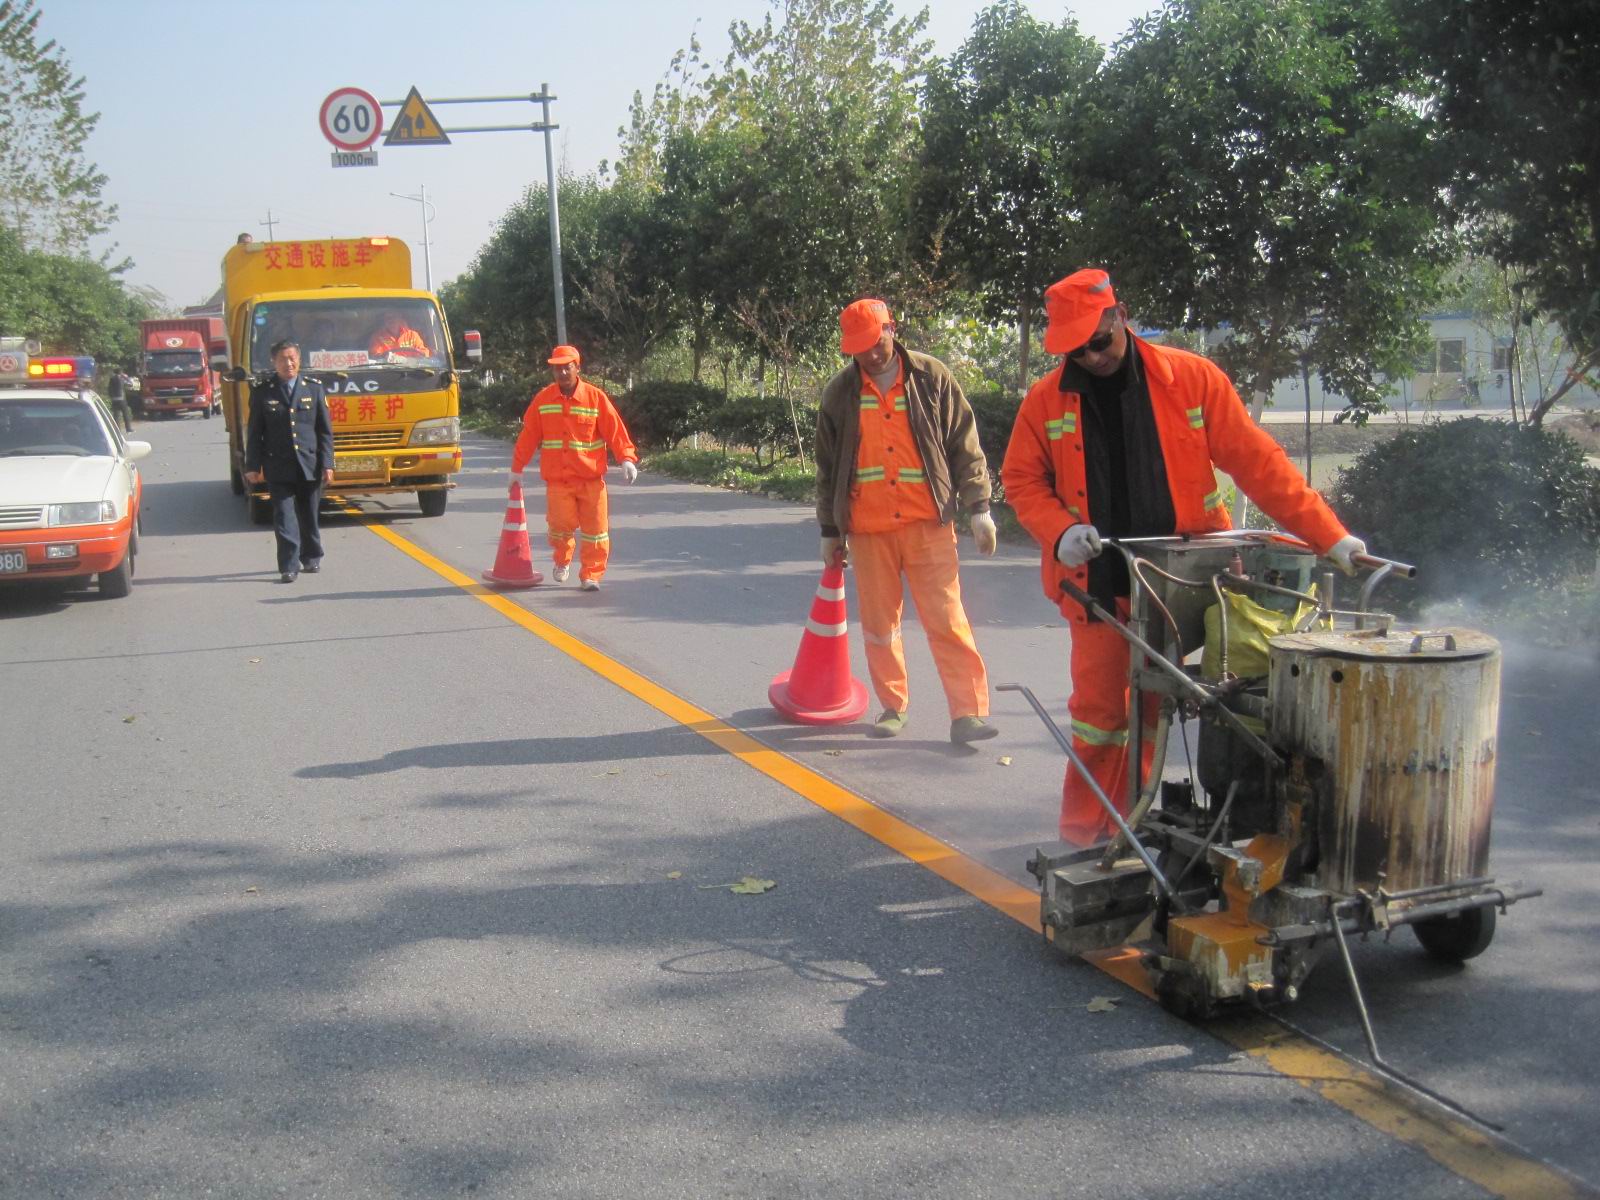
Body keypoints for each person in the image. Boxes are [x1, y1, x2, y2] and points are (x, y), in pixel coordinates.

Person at [1001, 269, 1366, 845]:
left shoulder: (1192, 380)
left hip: (1190, 581)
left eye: (1099, 342)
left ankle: (1151, 825)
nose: (1091, 358)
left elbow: (1259, 464)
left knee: (1203, 706)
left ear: (1120, 318)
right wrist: (1059, 529)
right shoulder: (1046, 401)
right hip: (1099, 583)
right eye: (1076, 350)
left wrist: (1330, 536)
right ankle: (1089, 840)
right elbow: (1021, 480)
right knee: (1102, 717)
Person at [815, 298, 1000, 745]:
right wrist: (830, 531)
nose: (871, 354)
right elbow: (826, 468)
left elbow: (964, 444)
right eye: (859, 348)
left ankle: (968, 713)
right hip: (867, 529)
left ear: (892, 330)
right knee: (880, 626)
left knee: (947, 620)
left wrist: (979, 509)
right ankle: (892, 707)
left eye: (876, 342)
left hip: (928, 526)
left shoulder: (931, 377)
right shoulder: (839, 394)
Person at [510, 345, 639, 591]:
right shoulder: (543, 400)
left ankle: (591, 574)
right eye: (557, 369)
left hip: (591, 480)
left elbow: (615, 430)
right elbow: (528, 436)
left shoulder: (595, 397)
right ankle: (562, 560)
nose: (562, 373)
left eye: (566, 367)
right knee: (559, 527)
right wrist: (516, 468)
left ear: (577, 368)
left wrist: (627, 458)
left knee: (596, 531)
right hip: (559, 481)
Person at [244, 339, 334, 583]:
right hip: (278, 466)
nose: (289, 363)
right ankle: (288, 565)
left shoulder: (313, 389)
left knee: (309, 515)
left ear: (299, 360)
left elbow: (324, 431)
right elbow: (254, 432)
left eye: (293, 358)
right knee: (284, 517)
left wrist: (327, 463)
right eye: (283, 359)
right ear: (274, 362)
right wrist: (252, 466)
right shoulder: (264, 391)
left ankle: (312, 556)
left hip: (309, 464)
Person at [106, 369, 134, 433]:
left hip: (114, 399)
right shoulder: (122, 379)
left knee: (116, 415)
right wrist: (126, 377)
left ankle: (117, 430)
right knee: (125, 414)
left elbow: (109, 388)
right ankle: (128, 428)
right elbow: (131, 384)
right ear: (121, 373)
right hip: (122, 399)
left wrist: (111, 396)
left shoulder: (112, 379)